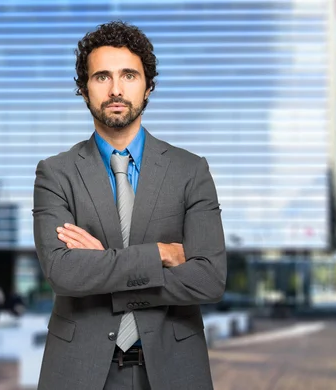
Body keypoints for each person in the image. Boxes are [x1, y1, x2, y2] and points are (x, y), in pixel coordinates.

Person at [32, 21, 226, 390]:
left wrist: (103, 266)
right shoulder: (55, 174)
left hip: (174, 369)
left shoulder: (190, 170)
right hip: (78, 372)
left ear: (148, 86)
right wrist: (159, 254)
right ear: (84, 90)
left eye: (129, 76)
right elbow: (63, 272)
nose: (116, 89)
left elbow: (209, 279)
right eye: (102, 77)